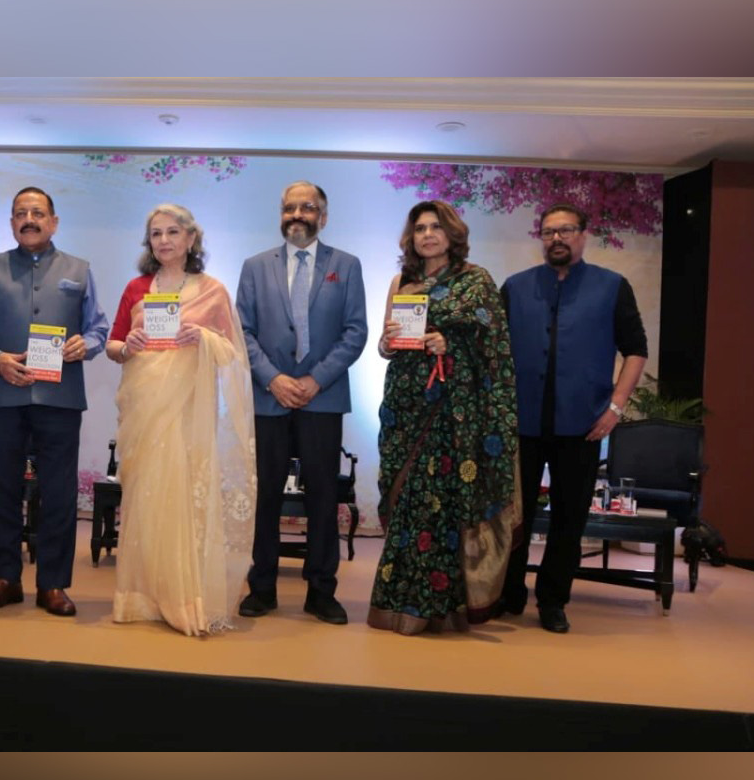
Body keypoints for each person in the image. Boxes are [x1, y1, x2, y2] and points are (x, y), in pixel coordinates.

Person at [370, 200, 520, 635]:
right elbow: (384, 345)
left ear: (452, 234)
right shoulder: (402, 281)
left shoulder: (476, 281)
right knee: (407, 502)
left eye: (436, 227)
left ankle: (436, 607)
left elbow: (495, 346)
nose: (427, 235)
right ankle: (397, 601)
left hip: (453, 411)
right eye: (420, 228)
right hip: (406, 406)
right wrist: (386, 343)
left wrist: (449, 345)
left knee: (439, 505)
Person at [106, 204, 256, 636]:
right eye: (156, 233)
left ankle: (184, 597)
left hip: (189, 412)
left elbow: (234, 354)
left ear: (191, 239)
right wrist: (128, 346)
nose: (164, 240)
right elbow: (114, 345)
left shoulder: (212, 290)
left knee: (183, 499)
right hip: (144, 409)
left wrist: (203, 337)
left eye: (173, 232)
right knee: (146, 498)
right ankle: (143, 597)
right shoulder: (136, 288)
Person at [0, 187, 109, 617]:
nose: (29, 219)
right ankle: (4, 579)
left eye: (38, 213)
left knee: (59, 493)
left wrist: (86, 344)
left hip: (60, 398)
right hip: (2, 394)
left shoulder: (80, 269)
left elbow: (98, 329)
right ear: (11, 223)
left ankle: (53, 584)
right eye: (21, 213)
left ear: (53, 222)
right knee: (1, 488)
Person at [500, 203, 648, 633]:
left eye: (565, 230)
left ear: (583, 234)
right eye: (549, 231)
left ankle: (553, 600)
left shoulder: (612, 287)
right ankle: (509, 593)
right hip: (521, 423)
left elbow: (636, 350)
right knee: (514, 514)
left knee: (569, 518)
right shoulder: (515, 287)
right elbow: (493, 351)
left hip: (583, 425)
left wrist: (615, 408)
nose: (557, 238)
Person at [235, 181, 368, 624]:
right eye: (289, 207)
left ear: (322, 217)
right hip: (268, 398)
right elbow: (242, 331)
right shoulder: (255, 267)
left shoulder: (347, 265)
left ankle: (321, 592)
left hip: (322, 400)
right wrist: (272, 379)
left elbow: (355, 332)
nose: (297, 214)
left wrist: (315, 379)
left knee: (323, 498)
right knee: (265, 497)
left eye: (307, 207)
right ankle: (262, 588)